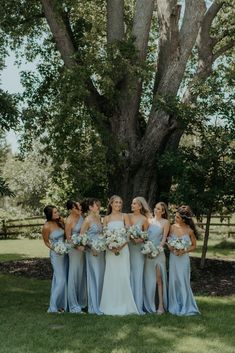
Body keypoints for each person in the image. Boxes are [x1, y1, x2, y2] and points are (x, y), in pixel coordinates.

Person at [100, 195, 139, 315]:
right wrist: (110, 246)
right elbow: (105, 235)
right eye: (116, 202)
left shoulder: (125, 216)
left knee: (123, 275)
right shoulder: (106, 218)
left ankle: (125, 304)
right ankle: (110, 304)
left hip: (123, 249)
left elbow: (128, 233)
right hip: (111, 251)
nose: (118, 204)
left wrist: (121, 245)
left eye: (120, 203)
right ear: (111, 204)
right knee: (111, 275)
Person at [167, 206, 200, 316]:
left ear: (184, 219)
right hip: (174, 258)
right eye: (175, 216)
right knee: (174, 280)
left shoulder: (189, 230)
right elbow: (168, 241)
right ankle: (174, 305)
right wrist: (171, 247)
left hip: (183, 259)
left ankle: (186, 305)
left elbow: (194, 246)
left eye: (178, 217)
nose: (175, 218)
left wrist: (184, 250)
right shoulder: (172, 227)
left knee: (183, 281)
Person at [80, 198, 105, 315]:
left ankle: (101, 302)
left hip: (101, 251)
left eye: (99, 205)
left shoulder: (99, 218)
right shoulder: (87, 220)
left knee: (101, 275)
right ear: (90, 207)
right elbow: (81, 237)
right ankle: (93, 305)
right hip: (92, 252)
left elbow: (101, 234)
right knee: (94, 276)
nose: (98, 207)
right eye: (96, 205)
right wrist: (91, 247)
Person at [144, 202, 169, 314]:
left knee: (158, 279)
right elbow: (145, 236)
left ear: (163, 211)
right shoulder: (149, 221)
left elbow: (164, 238)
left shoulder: (165, 222)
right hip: (148, 253)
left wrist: (157, 249)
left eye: (158, 209)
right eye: (155, 208)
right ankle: (149, 304)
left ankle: (161, 306)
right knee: (149, 279)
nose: (155, 210)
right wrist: (147, 249)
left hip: (158, 253)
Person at [42, 205, 67, 313]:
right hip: (56, 255)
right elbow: (46, 242)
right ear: (49, 215)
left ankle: (60, 305)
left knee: (61, 279)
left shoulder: (60, 221)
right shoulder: (47, 226)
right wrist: (55, 248)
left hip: (65, 253)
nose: (57, 214)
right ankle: (52, 307)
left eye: (57, 212)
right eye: (55, 213)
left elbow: (66, 234)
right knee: (61, 280)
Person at [128, 197, 150, 314]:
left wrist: (139, 239)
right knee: (128, 273)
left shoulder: (144, 219)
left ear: (140, 206)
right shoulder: (127, 217)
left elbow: (146, 235)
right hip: (127, 249)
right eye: (132, 203)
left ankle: (137, 304)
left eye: (134, 203)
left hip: (138, 250)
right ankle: (128, 303)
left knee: (137, 274)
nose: (132, 205)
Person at [65, 199, 87, 313]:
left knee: (81, 273)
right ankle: (73, 304)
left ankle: (82, 301)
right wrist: (77, 246)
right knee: (74, 274)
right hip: (74, 250)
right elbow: (68, 239)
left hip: (82, 248)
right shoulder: (69, 221)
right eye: (76, 208)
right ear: (70, 210)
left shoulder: (81, 216)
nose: (79, 209)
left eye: (79, 207)